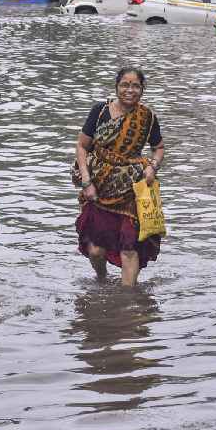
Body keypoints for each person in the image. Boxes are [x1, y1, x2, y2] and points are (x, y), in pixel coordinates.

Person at [74, 67, 164, 287]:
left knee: (129, 248)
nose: (129, 90)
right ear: (116, 87)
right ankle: (102, 280)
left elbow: (158, 148)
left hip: (131, 188)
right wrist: (86, 181)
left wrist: (152, 167)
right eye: (125, 85)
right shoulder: (100, 111)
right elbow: (82, 146)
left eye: (135, 86)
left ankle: (128, 303)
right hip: (99, 187)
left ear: (142, 90)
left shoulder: (147, 117)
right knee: (95, 250)